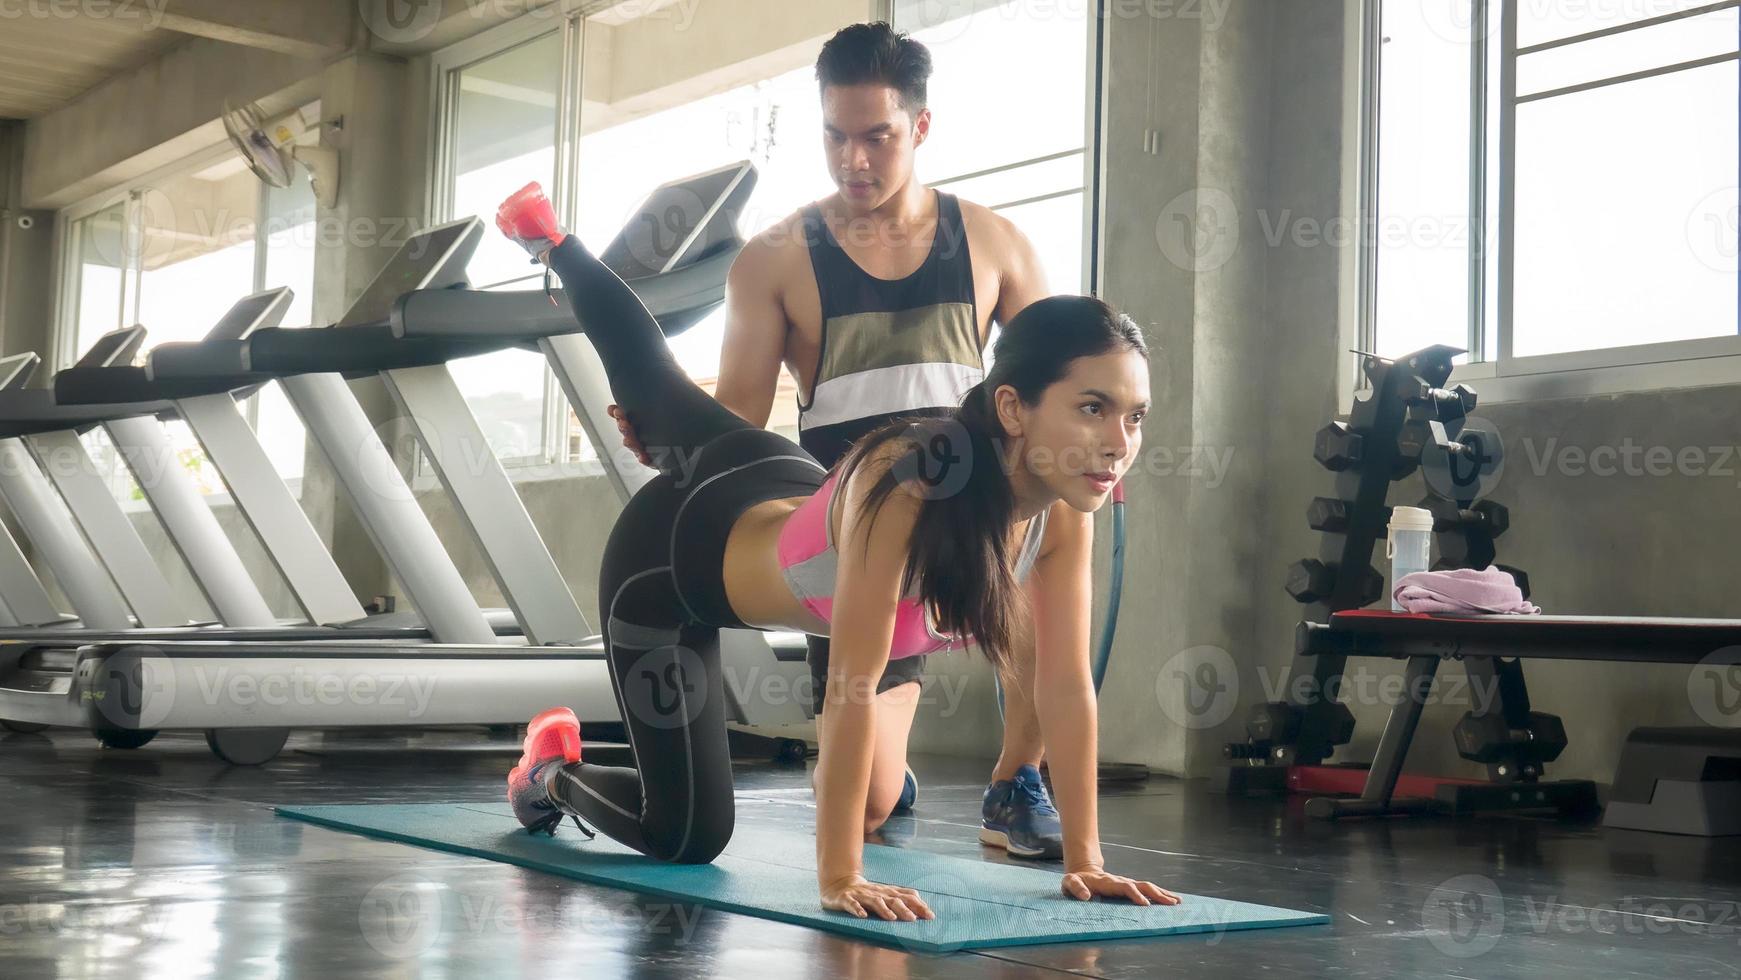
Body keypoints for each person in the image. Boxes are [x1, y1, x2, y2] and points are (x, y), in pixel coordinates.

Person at [495, 182, 1178, 921]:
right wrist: (839, 875)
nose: (1118, 443)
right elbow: (850, 685)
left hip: (774, 478)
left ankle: (553, 245)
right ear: (1013, 407)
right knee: (686, 835)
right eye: (1091, 408)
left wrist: (1087, 863)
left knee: (656, 395)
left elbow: (1065, 687)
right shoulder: (911, 484)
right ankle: (553, 770)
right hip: (670, 564)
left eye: (1133, 416)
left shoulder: (1065, 511)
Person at [608, 21, 1070, 859]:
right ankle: (878, 773)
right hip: (856, 543)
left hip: (977, 515)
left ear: (919, 129)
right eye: (834, 136)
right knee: (857, 807)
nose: (853, 160)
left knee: (1049, 561)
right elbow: (739, 429)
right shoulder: (774, 260)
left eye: (877, 138)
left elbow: (1051, 388)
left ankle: (1016, 780)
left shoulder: (995, 244)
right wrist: (671, 443)